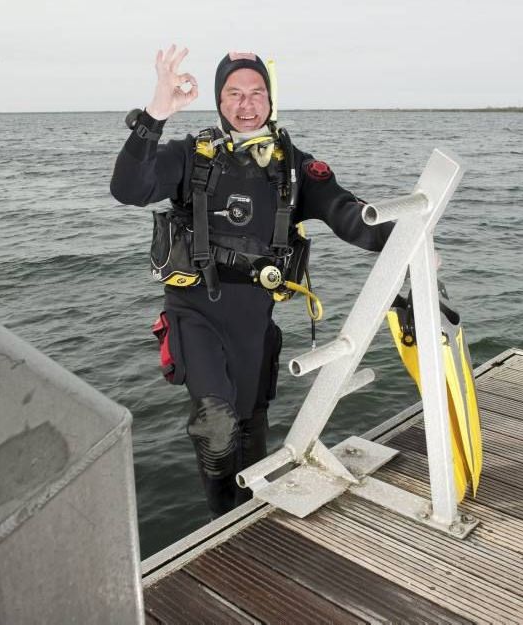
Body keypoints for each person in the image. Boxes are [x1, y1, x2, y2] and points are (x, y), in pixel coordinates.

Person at [110, 46, 391, 518]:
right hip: (194, 315)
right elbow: (128, 188)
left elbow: (346, 212)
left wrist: (405, 239)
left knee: (250, 431)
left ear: (270, 98)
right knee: (216, 425)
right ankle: (221, 525)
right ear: (219, 101)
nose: (246, 103)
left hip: (255, 327)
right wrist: (155, 114)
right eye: (234, 93)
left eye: (256, 92)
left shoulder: (292, 167)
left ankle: (242, 524)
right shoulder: (190, 157)